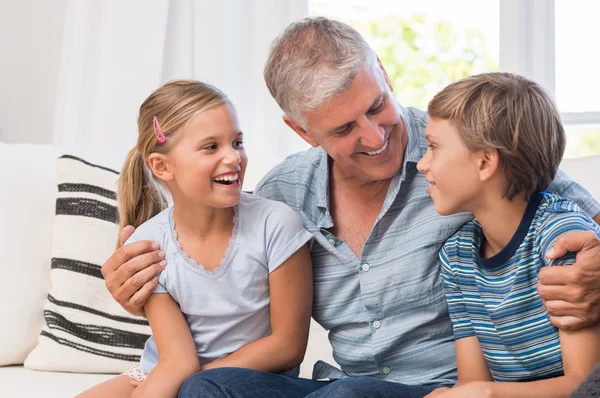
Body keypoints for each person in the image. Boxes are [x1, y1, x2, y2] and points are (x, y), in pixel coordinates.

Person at [101, 18, 600, 398]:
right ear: (301, 130)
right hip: (345, 386)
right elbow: (212, 275)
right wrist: (140, 282)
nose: (376, 136)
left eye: (376, 105)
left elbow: (570, 216)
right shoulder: (280, 198)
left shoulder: (467, 155)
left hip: (432, 389)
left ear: (382, 72)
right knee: (209, 390)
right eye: (342, 129)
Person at [79, 80, 313, 398]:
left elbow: (287, 346)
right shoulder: (149, 246)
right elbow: (176, 359)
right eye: (211, 147)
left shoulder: (276, 224)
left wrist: (190, 386)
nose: (233, 157)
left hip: (239, 383)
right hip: (165, 370)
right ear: (162, 166)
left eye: (237, 142)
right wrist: (168, 385)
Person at [414, 73, 600, 398]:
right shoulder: (457, 257)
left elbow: (586, 386)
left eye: (433, 147)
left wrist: (488, 394)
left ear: (485, 162)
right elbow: (472, 383)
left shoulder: (562, 240)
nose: (422, 164)